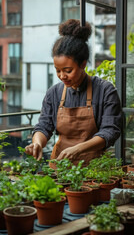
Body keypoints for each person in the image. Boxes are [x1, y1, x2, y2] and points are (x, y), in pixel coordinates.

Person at [25, 19, 122, 168]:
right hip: (59, 166)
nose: (62, 76)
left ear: (83, 64)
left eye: (68, 70)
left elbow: (110, 131)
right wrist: (37, 142)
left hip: (94, 169)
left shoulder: (105, 90)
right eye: (58, 70)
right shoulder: (54, 93)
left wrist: (78, 148)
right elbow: (44, 126)